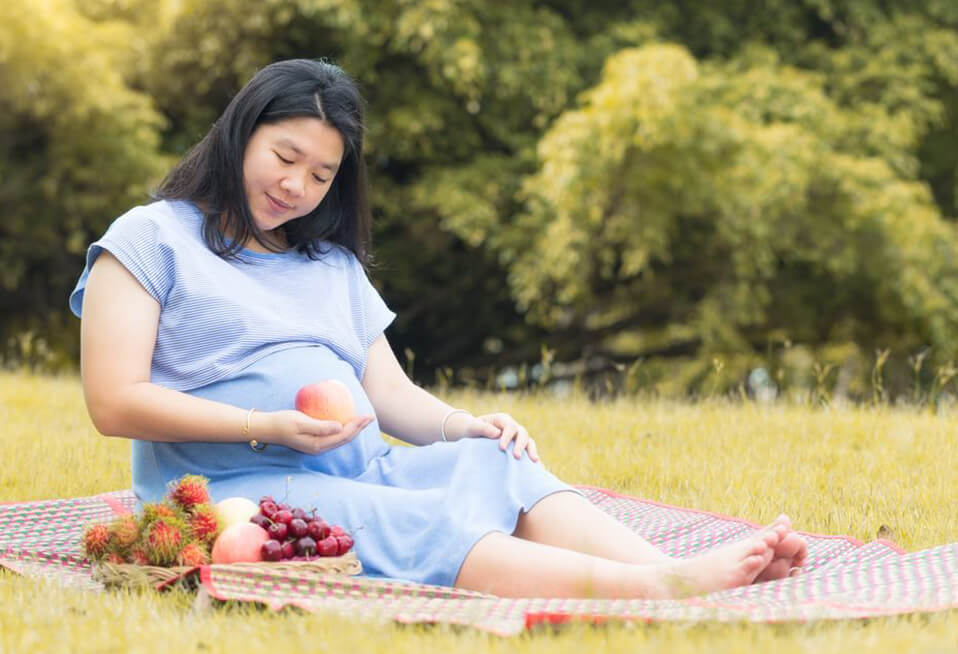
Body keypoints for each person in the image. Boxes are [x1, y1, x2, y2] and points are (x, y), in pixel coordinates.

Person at [70, 58, 807, 599]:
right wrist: (268, 422)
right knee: (403, 523)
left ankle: (658, 564)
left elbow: (389, 394)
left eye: (322, 175)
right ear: (240, 135)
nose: (296, 186)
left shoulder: (329, 264)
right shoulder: (153, 238)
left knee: (496, 464)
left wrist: (466, 425)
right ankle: (658, 588)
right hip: (237, 486)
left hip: (352, 465)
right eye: (285, 156)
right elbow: (114, 401)